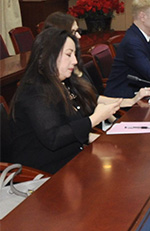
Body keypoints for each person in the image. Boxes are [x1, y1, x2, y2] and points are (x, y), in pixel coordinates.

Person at [8, 28, 123, 173]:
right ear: (48, 55)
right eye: (68, 54)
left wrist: (102, 139)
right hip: (44, 172)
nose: (75, 61)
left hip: (72, 159)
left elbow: (71, 128)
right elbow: (54, 138)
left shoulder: (63, 83)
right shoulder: (34, 91)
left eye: (74, 54)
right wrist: (95, 119)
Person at [43, 11, 150, 107]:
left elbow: (94, 97)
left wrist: (131, 101)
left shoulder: (77, 61)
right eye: (73, 32)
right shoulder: (60, 72)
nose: (79, 36)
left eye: (78, 31)